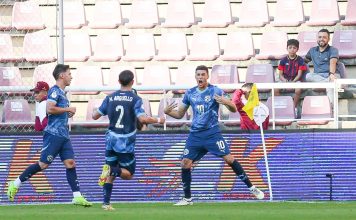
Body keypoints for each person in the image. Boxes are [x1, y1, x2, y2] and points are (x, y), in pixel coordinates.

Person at [164, 65, 264, 206]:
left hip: (212, 133)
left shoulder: (215, 91)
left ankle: (252, 188)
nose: (200, 77)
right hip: (195, 135)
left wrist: (226, 102)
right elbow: (180, 114)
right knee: (185, 163)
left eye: (203, 74)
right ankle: (187, 199)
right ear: (195, 76)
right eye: (198, 74)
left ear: (207, 76)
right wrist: (168, 112)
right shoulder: (190, 93)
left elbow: (234, 108)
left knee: (229, 159)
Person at [7, 64, 92, 207]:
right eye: (69, 74)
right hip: (53, 134)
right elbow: (50, 108)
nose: (71, 76)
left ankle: (77, 196)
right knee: (43, 164)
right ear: (62, 76)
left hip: (63, 135)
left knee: (70, 163)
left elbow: (56, 110)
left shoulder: (62, 93)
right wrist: (68, 109)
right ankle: (15, 183)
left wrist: (67, 111)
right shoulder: (54, 91)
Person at [92, 70, 165, 211]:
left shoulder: (110, 98)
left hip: (111, 139)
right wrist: (158, 119)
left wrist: (103, 110)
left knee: (112, 173)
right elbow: (142, 119)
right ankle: (110, 170)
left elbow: (95, 116)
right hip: (125, 142)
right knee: (128, 174)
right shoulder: (135, 99)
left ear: (119, 81)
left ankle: (106, 203)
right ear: (133, 81)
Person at [304, 28, 339, 105]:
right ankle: (330, 83)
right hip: (317, 76)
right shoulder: (312, 50)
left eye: (324, 37)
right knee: (308, 76)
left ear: (328, 39)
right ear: (317, 38)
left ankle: (332, 110)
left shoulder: (333, 50)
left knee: (330, 87)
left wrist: (332, 74)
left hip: (331, 75)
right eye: (319, 37)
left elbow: (332, 62)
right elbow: (304, 61)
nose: (321, 39)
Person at [275, 39, 307, 109]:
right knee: (275, 89)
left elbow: (299, 75)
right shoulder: (283, 60)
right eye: (290, 47)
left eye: (294, 48)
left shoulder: (300, 60)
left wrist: (293, 82)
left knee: (298, 89)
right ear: (287, 48)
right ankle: (282, 106)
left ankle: (293, 107)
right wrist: (285, 81)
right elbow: (280, 75)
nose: (292, 49)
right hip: (285, 80)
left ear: (297, 49)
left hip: (296, 80)